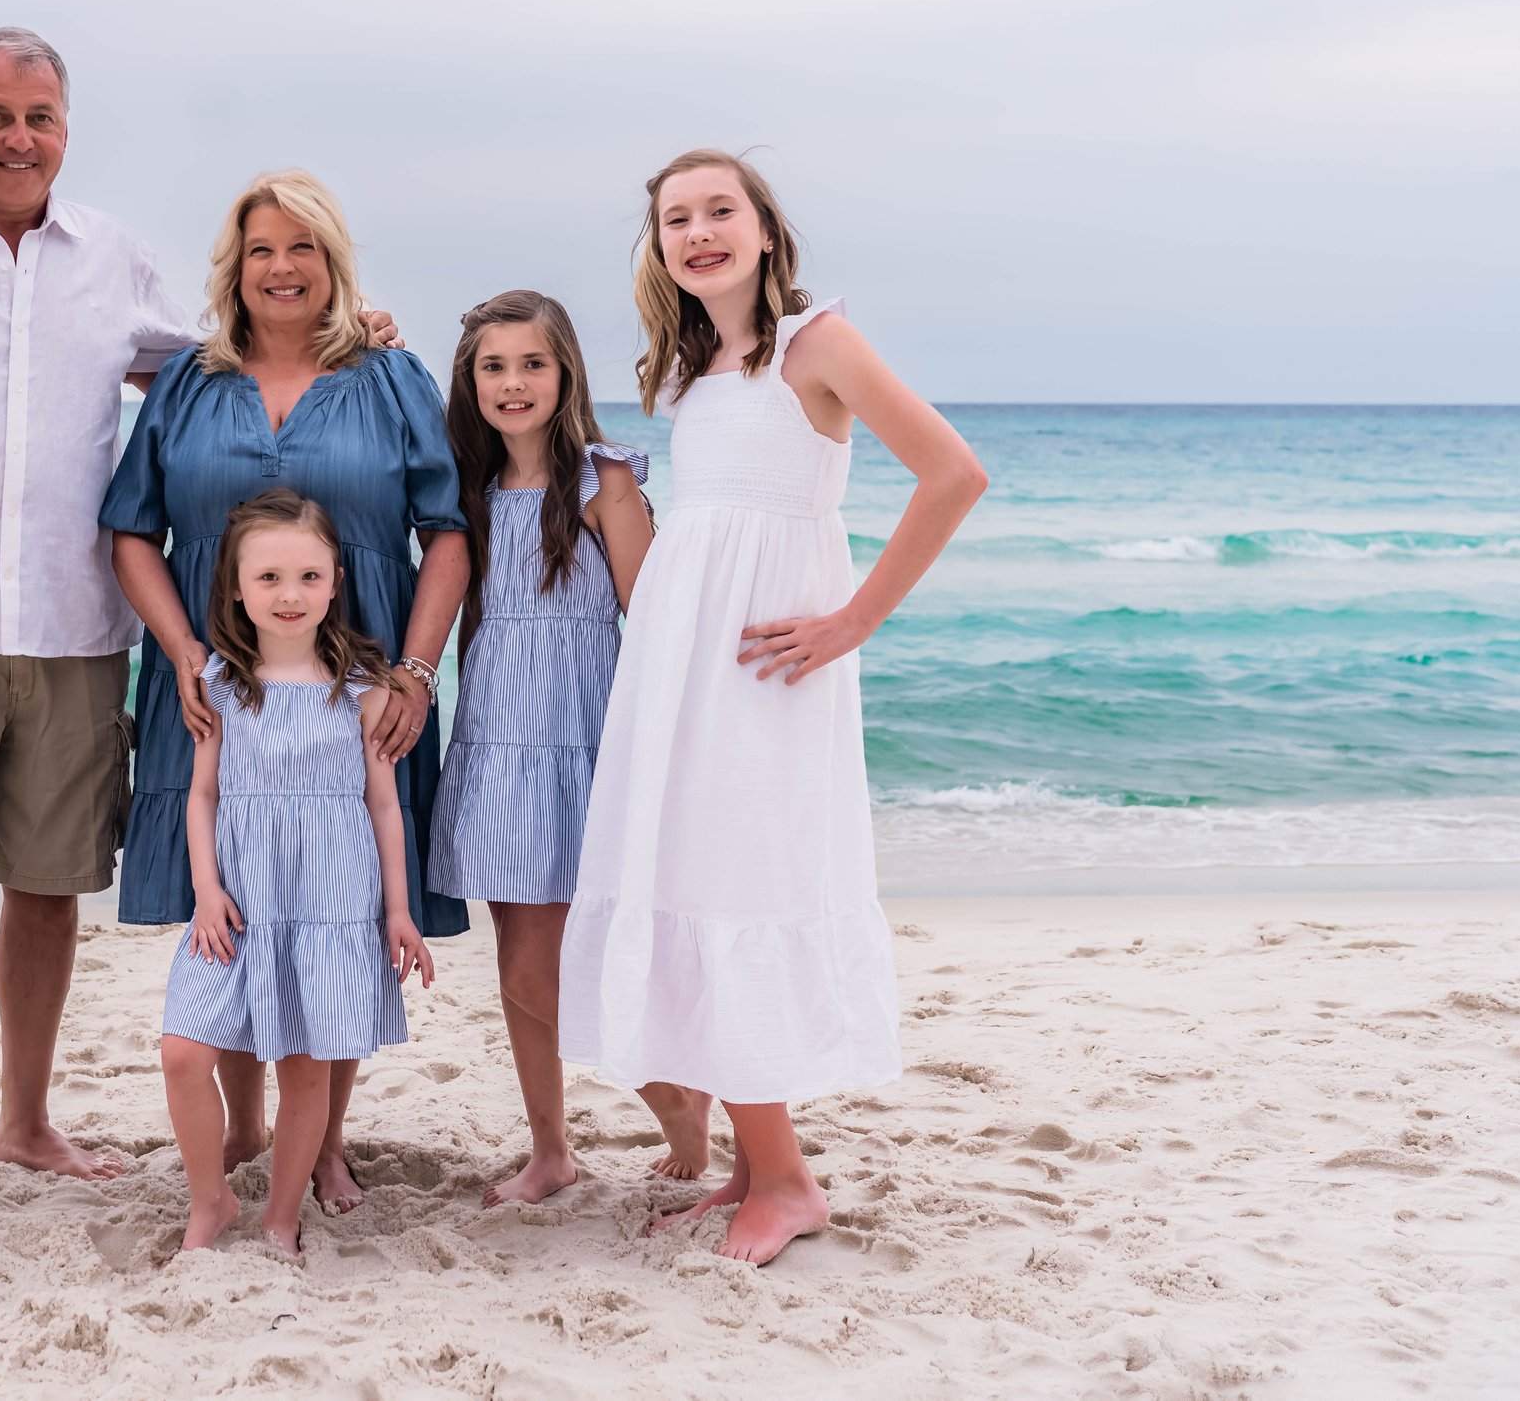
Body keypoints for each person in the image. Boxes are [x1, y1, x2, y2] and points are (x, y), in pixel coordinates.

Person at [0, 31, 405, 1214]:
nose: (21, 138)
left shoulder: (111, 257)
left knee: (47, 883)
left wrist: (345, 335)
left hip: (76, 627)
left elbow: (213, 361)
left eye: (43, 117)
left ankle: (22, 1119)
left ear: (67, 126)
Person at [557, 150, 987, 1265]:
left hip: (764, 673)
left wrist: (851, 621)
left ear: (761, 225)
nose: (698, 232)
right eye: (674, 219)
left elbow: (952, 473)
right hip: (682, 666)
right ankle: (753, 1165)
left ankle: (786, 1176)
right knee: (698, 879)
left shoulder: (816, 340)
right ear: (658, 247)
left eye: (719, 211)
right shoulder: (692, 371)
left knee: (742, 883)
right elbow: (692, 542)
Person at [103, 169, 468, 1216]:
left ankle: (326, 1139)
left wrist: (416, 669)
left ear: (334, 262)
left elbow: (448, 531)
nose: (280, 267)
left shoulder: (390, 376)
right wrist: (177, 649)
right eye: (261, 248)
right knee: (234, 900)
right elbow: (131, 527)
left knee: (340, 900)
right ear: (234, 265)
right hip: (212, 683)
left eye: (302, 247)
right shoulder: (186, 382)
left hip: (359, 682)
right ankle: (251, 1129)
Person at [160, 491, 435, 1257]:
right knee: (183, 1050)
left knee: (307, 1068)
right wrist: (206, 888)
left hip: (330, 905)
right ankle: (210, 1198)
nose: (290, 595)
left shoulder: (362, 686)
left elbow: (385, 807)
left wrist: (398, 910)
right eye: (270, 577)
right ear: (237, 588)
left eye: (309, 576)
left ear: (336, 581)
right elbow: (203, 796)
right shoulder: (221, 681)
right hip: (241, 901)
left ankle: (283, 1216)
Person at [425, 290, 652, 1208]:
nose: (513, 383)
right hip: (496, 746)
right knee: (519, 960)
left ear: (566, 375)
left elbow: (652, 621)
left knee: (590, 953)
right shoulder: (466, 490)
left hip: (584, 747)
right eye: (493, 366)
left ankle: (682, 1116)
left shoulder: (606, 481)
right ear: (469, 381)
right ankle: (551, 1148)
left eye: (532, 365)